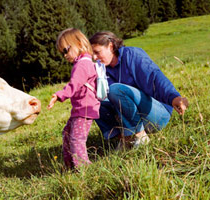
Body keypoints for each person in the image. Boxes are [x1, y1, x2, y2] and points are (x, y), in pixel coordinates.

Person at [89, 31, 188, 149]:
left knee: (115, 89)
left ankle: (140, 136)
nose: (94, 58)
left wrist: (174, 97)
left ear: (110, 46)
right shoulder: (101, 69)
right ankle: (125, 138)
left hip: (156, 115)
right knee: (91, 100)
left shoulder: (132, 55)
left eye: (97, 52)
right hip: (129, 118)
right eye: (92, 54)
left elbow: (154, 77)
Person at [48, 28, 100, 169]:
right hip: (81, 109)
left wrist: (59, 95)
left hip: (85, 109)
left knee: (77, 139)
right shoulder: (83, 62)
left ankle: (83, 169)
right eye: (62, 53)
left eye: (66, 50)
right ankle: (70, 166)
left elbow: (74, 85)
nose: (65, 55)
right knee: (67, 134)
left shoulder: (83, 64)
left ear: (78, 43)